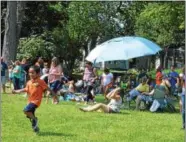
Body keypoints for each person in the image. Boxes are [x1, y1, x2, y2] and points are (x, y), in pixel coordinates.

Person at [12, 65, 53, 132]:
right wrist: (16, 91)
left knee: (26, 110)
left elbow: (48, 88)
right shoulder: (29, 82)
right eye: (29, 72)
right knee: (30, 115)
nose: (30, 74)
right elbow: (25, 89)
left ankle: (35, 120)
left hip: (36, 101)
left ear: (38, 73)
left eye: (32, 73)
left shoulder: (40, 81)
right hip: (30, 101)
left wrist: (54, 96)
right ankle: (35, 127)